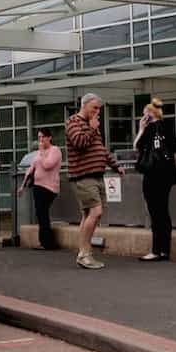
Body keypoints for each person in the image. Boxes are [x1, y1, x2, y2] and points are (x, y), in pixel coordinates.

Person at [65, 93, 124, 269]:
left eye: (99, 108)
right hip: (83, 175)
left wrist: (115, 165)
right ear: (84, 105)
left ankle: (84, 252)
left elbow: (100, 149)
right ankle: (84, 253)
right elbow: (79, 142)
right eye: (95, 108)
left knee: (88, 214)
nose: (97, 112)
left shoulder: (93, 125)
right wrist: (91, 128)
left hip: (97, 175)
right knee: (96, 212)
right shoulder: (73, 122)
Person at [134, 97, 176, 261]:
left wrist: (141, 128)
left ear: (148, 115)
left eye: (143, 115)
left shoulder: (147, 129)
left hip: (151, 175)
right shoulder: (168, 126)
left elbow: (136, 147)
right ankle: (165, 250)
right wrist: (171, 166)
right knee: (164, 211)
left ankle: (155, 250)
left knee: (154, 212)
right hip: (167, 175)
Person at [19, 128, 62, 250]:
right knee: (40, 213)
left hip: (49, 187)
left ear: (49, 137)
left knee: (43, 212)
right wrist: (23, 185)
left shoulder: (55, 150)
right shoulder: (39, 152)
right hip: (38, 186)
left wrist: (42, 151)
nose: (41, 140)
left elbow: (47, 165)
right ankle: (44, 241)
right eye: (39, 137)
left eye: (43, 137)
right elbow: (31, 169)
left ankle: (47, 242)